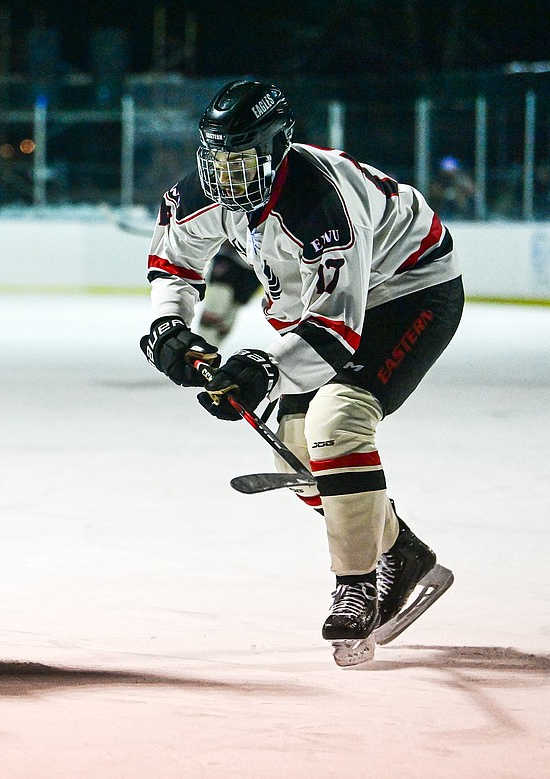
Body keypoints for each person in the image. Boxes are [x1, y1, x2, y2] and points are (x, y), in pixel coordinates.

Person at [139, 80, 464, 665]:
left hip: (410, 293)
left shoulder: (321, 203)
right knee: (295, 452)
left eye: (239, 158)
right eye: (215, 157)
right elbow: (174, 260)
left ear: (278, 144)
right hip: (323, 310)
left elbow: (338, 330)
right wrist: (169, 327)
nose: (224, 174)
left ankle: (357, 584)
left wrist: (261, 367)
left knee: (337, 424)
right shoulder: (206, 191)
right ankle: (402, 550)